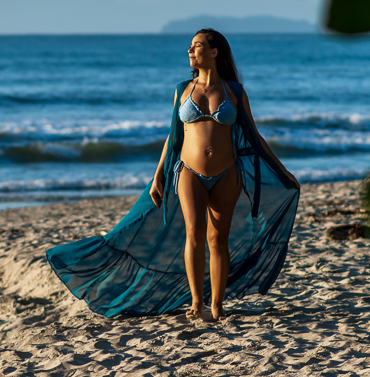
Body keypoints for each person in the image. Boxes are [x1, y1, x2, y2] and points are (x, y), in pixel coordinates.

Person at [46, 28, 300, 320]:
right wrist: (157, 176)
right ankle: (196, 303)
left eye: (197, 46)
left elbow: (254, 136)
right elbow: (173, 138)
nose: (190, 51)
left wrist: (283, 171)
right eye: (190, 47)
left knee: (218, 240)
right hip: (189, 171)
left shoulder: (234, 91)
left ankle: (217, 306)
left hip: (227, 173)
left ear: (215, 51)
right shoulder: (183, 89)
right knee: (194, 234)